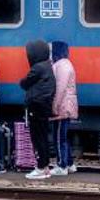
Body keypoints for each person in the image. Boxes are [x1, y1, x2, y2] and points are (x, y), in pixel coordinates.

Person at [19, 39, 57, 180]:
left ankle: (41, 168)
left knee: (37, 138)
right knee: (43, 138)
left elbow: (24, 83)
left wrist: (23, 83)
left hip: (36, 106)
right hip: (44, 106)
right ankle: (45, 167)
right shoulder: (48, 65)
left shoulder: (37, 68)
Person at [50, 40, 79, 175]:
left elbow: (60, 88)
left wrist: (55, 106)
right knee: (64, 137)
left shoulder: (61, 66)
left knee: (58, 137)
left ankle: (61, 166)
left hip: (62, 105)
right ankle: (70, 163)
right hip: (67, 104)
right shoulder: (66, 64)